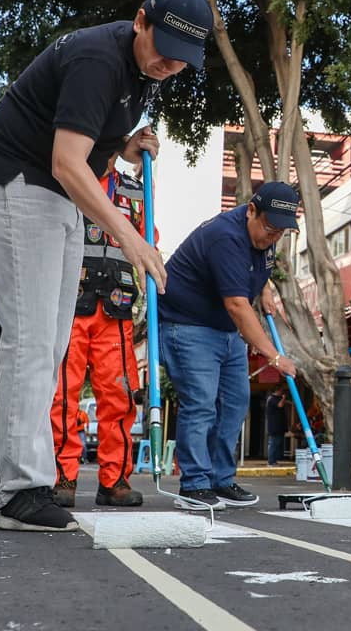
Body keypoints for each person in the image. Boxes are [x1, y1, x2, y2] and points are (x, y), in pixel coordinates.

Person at [0, 0, 213, 532]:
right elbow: (67, 161)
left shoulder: (142, 72)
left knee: (48, 344)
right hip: (18, 181)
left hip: (53, 193)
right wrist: (131, 237)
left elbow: (87, 138)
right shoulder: (99, 58)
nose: (171, 64)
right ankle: (22, 489)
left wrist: (122, 147)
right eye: (164, 47)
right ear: (140, 20)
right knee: (32, 340)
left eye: (183, 59)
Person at [158, 181, 300, 510]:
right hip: (188, 325)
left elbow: (259, 267)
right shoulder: (226, 237)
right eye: (270, 228)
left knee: (235, 404)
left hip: (224, 330)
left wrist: (264, 288)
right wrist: (274, 356)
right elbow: (237, 306)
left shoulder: (267, 235)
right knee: (201, 404)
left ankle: (221, 479)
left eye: (281, 232)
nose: (273, 237)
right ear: (251, 210)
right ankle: (193, 485)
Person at [49, 159, 148, 508]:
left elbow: (147, 240)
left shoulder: (135, 189)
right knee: (62, 397)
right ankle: (63, 476)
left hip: (117, 308)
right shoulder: (66, 176)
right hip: (69, 305)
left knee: (119, 398)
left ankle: (115, 480)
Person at [265, 383, 288, 466]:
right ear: (278, 390)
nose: (282, 392)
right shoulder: (272, 399)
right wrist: (284, 398)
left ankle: (274, 460)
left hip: (279, 426)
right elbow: (280, 405)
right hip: (274, 426)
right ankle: (271, 461)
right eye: (281, 391)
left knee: (277, 443)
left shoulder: (276, 398)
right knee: (273, 443)